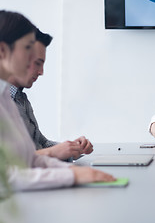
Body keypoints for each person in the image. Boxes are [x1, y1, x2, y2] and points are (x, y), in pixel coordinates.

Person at [0, 10, 115, 191]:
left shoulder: (7, 97)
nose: (35, 65)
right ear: (3, 50)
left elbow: (29, 159)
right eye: (28, 48)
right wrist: (72, 174)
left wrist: (72, 165)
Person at [7, 28, 93, 161]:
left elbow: (41, 144)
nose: (41, 72)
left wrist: (72, 148)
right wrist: (53, 152)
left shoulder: (20, 98)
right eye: (37, 63)